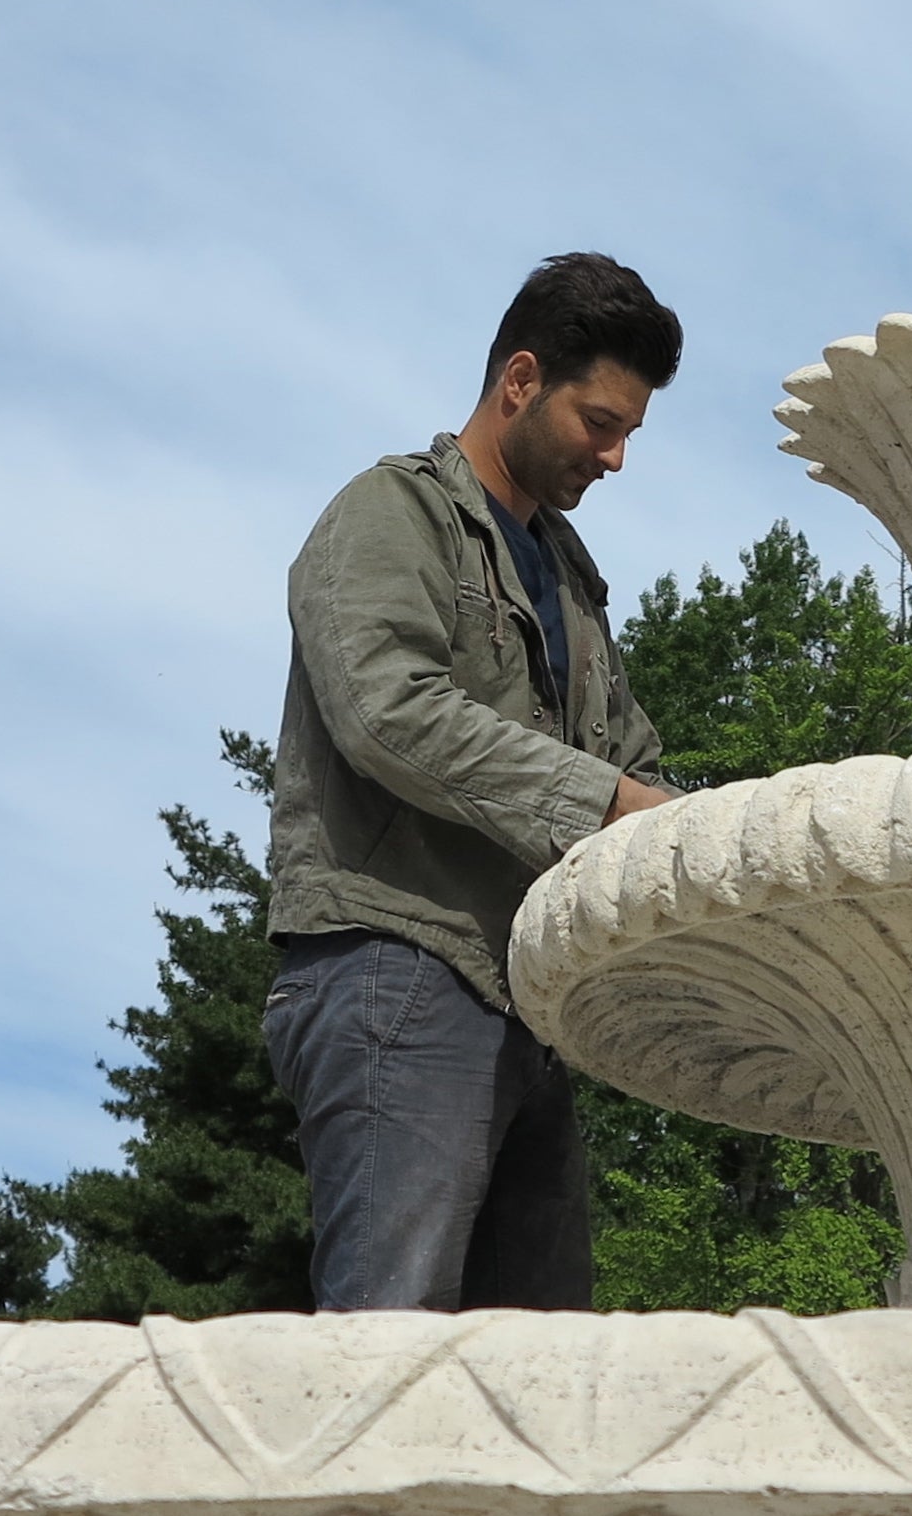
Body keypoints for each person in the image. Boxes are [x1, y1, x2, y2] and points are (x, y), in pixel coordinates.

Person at [262, 253, 683, 1311]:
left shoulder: (572, 582)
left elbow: (635, 767)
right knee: (388, 1339)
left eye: (631, 430)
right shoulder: (386, 514)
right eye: (600, 421)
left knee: (538, 1375)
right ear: (520, 380)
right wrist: (609, 804)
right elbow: (384, 711)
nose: (618, 456)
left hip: (527, 1005)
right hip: (394, 967)